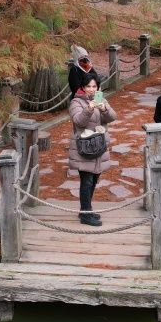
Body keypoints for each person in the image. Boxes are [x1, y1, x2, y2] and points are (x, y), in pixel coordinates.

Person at [68, 77, 117, 226]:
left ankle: (85, 210)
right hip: (84, 147)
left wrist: (104, 108)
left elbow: (112, 117)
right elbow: (78, 121)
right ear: (83, 87)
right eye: (88, 86)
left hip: (98, 145)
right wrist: (89, 109)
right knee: (87, 180)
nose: (91, 89)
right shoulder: (76, 102)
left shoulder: (100, 99)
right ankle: (86, 214)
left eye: (94, 86)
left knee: (94, 178)